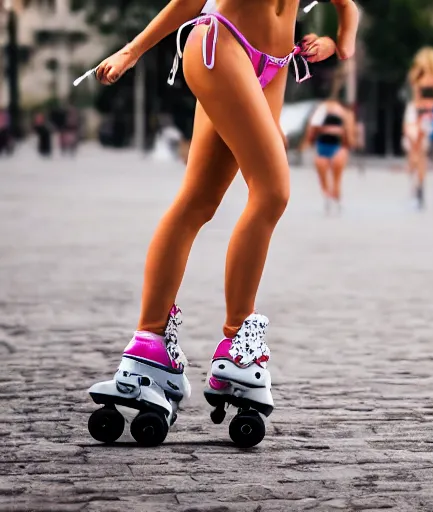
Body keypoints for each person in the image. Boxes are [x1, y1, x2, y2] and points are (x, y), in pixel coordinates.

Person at [80, 0, 359, 448]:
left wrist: (336, 44)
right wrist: (132, 52)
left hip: (274, 65)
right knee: (273, 191)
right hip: (222, 44)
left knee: (198, 202)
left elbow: (348, 8)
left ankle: (150, 349)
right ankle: (236, 344)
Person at [404, 47, 433, 209]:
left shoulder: (421, 80)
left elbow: (417, 103)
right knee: (423, 154)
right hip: (429, 116)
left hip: (422, 116)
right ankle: (423, 186)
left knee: (419, 154)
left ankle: (420, 185)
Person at [304, 97, 356, 213]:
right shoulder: (320, 112)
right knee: (323, 178)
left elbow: (350, 139)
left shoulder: (345, 114)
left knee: (336, 176)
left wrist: (342, 132)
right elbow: (311, 133)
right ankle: (329, 195)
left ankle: (335, 195)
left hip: (338, 147)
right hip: (323, 146)